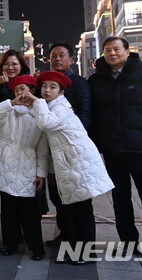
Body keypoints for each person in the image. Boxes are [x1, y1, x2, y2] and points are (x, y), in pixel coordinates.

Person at [88, 36, 142, 261]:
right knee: (120, 196)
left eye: (116, 49)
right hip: (112, 148)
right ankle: (128, 242)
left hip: (139, 146)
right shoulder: (96, 80)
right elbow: (92, 115)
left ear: (127, 51)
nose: (112, 53)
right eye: (107, 50)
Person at [32, 71, 114, 265]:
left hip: (79, 164)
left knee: (82, 210)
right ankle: (73, 250)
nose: (47, 90)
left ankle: (87, 253)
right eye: (44, 86)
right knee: (70, 210)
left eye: (52, 87)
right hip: (68, 166)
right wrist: (44, 173)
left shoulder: (60, 107)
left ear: (61, 92)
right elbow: (44, 147)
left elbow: (46, 123)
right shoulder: (49, 107)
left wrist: (36, 102)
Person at [0, 75, 48, 261]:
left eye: (24, 89)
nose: (21, 93)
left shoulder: (40, 113)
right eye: (17, 90)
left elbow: (43, 147)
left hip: (28, 163)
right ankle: (9, 244)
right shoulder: (8, 111)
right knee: (8, 209)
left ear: (32, 91)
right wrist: (9, 103)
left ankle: (36, 247)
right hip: (6, 162)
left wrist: (41, 173)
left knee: (30, 210)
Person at [45, 42, 92, 247]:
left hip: (73, 148)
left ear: (71, 59)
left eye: (61, 55)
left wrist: (73, 140)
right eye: (53, 55)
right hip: (53, 149)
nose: (57, 58)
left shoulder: (79, 83)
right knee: (58, 195)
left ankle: (84, 245)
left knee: (79, 198)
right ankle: (66, 234)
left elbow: (85, 112)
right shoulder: (47, 84)